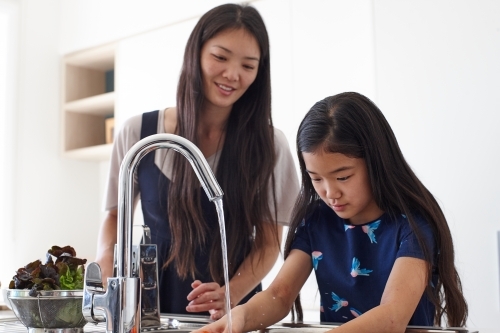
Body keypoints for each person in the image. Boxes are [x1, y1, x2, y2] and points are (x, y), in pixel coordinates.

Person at [194, 92, 468, 333]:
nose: (330, 192)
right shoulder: (316, 221)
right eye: (316, 178)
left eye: (343, 177)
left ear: (376, 162)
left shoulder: (412, 226)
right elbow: (279, 295)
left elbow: (393, 317)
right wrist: (238, 318)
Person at [95, 3, 299, 320]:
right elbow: (113, 217)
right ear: (195, 54)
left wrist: (230, 293)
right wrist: (106, 269)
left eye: (248, 65)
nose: (232, 74)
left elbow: (269, 242)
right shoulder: (139, 133)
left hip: (232, 313)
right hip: (150, 310)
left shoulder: (271, 145)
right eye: (220, 57)